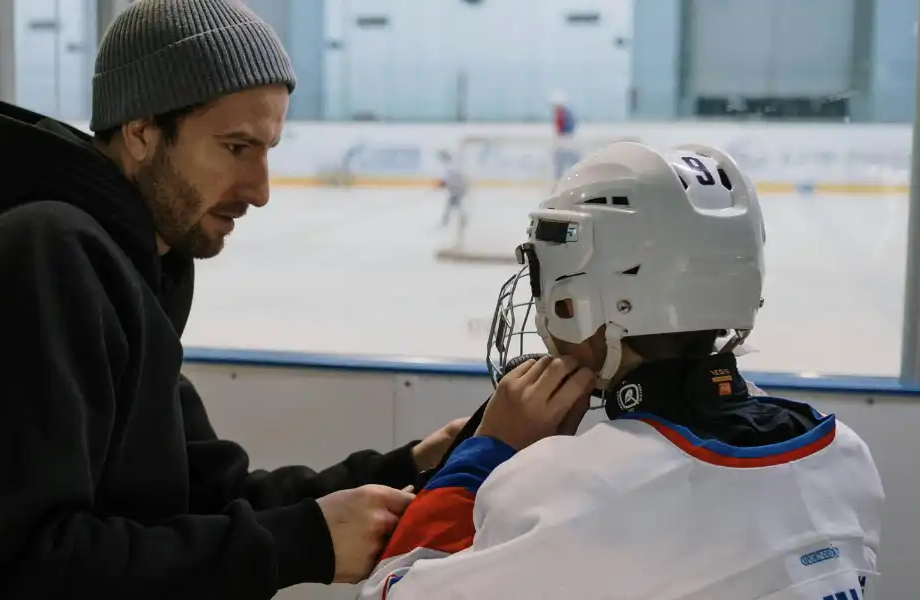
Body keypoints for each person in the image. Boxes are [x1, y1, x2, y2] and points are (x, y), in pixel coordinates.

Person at [0, 1, 466, 598]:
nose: (261, 189)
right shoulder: (39, 259)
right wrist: (300, 543)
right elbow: (22, 570)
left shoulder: (126, 269)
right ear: (141, 131)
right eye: (236, 147)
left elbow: (204, 497)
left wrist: (410, 465)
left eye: (267, 152)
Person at [358, 142, 884, 600]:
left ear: (583, 300)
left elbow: (388, 593)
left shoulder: (566, 486)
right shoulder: (844, 457)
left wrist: (484, 455)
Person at [436, 149, 467, 232]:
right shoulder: (455, 164)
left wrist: (439, 185)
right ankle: (462, 221)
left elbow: (445, 181)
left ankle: (446, 223)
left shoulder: (448, 167)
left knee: (451, 206)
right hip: (459, 189)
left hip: (456, 189)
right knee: (456, 206)